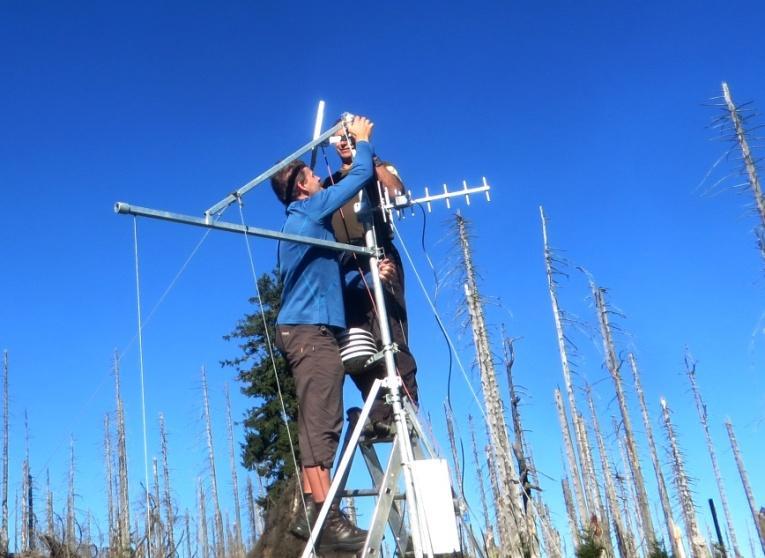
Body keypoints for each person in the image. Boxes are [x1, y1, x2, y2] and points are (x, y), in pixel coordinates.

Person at [271, 115, 375, 552]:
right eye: (314, 175)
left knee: (320, 417)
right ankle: (325, 518)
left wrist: (368, 272)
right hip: (309, 334)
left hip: (310, 329)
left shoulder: (306, 227)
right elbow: (362, 175)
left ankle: (323, 514)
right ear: (301, 187)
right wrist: (364, 142)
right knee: (321, 421)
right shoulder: (308, 211)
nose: (320, 178)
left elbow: (323, 282)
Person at [324, 126, 419, 435]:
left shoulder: (379, 167)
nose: (343, 144)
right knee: (355, 344)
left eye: (348, 137)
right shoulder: (329, 184)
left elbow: (398, 194)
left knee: (389, 333)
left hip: (379, 255)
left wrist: (371, 160)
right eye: (338, 139)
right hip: (345, 267)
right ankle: (377, 411)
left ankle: (404, 408)